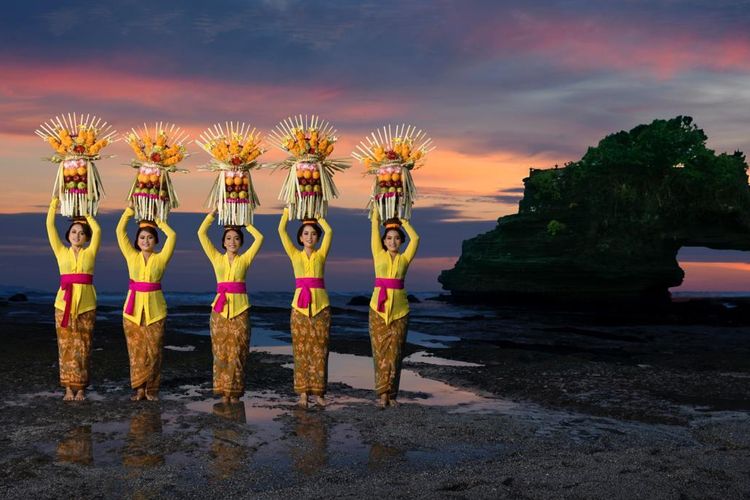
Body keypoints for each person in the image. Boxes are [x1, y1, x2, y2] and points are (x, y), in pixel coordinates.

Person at [198, 209, 264, 404]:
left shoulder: (245, 259)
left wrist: (246, 222)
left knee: (238, 352)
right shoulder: (216, 258)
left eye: (236, 238)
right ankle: (223, 392)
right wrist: (212, 215)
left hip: (241, 310)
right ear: (223, 241)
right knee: (220, 353)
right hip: (219, 311)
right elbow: (201, 233)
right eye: (228, 238)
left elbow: (259, 238)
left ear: (241, 242)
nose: (232, 242)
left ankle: (234, 392)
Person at [116, 202, 176, 401]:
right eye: (142, 237)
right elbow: (119, 230)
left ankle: (152, 389)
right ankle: (139, 389)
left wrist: (158, 220)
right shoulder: (131, 256)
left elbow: (173, 236)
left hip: (156, 311)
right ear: (136, 240)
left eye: (150, 237)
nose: (146, 240)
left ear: (156, 240)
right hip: (131, 311)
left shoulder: (161, 258)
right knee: (136, 352)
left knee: (154, 350)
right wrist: (130, 210)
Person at [46, 197, 100, 401]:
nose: (77, 235)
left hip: (87, 305)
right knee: (66, 347)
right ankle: (68, 388)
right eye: (74, 232)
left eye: (81, 233)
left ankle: (82, 388)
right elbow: (49, 225)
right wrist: (55, 202)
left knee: (84, 346)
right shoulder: (61, 251)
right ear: (68, 235)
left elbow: (99, 231)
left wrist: (86, 213)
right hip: (63, 305)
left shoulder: (90, 252)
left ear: (86, 237)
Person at [278, 207, 333, 408]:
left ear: (317, 237)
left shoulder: (321, 254)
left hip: (321, 307)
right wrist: (287, 210)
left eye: (313, 233)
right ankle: (302, 393)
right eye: (306, 234)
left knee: (320, 351)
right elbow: (281, 231)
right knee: (300, 351)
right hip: (299, 308)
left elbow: (330, 232)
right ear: (300, 238)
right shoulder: (294, 254)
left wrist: (318, 216)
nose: (310, 237)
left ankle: (319, 393)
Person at [369, 209, 420, 408]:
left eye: (397, 238)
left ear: (401, 241)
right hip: (377, 309)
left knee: (396, 353)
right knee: (380, 352)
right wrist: (376, 207)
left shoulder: (404, 259)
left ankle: (392, 395)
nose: (392, 241)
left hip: (400, 311)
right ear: (383, 241)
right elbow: (374, 226)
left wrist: (404, 221)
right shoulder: (377, 254)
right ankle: (382, 395)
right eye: (389, 238)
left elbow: (416, 238)